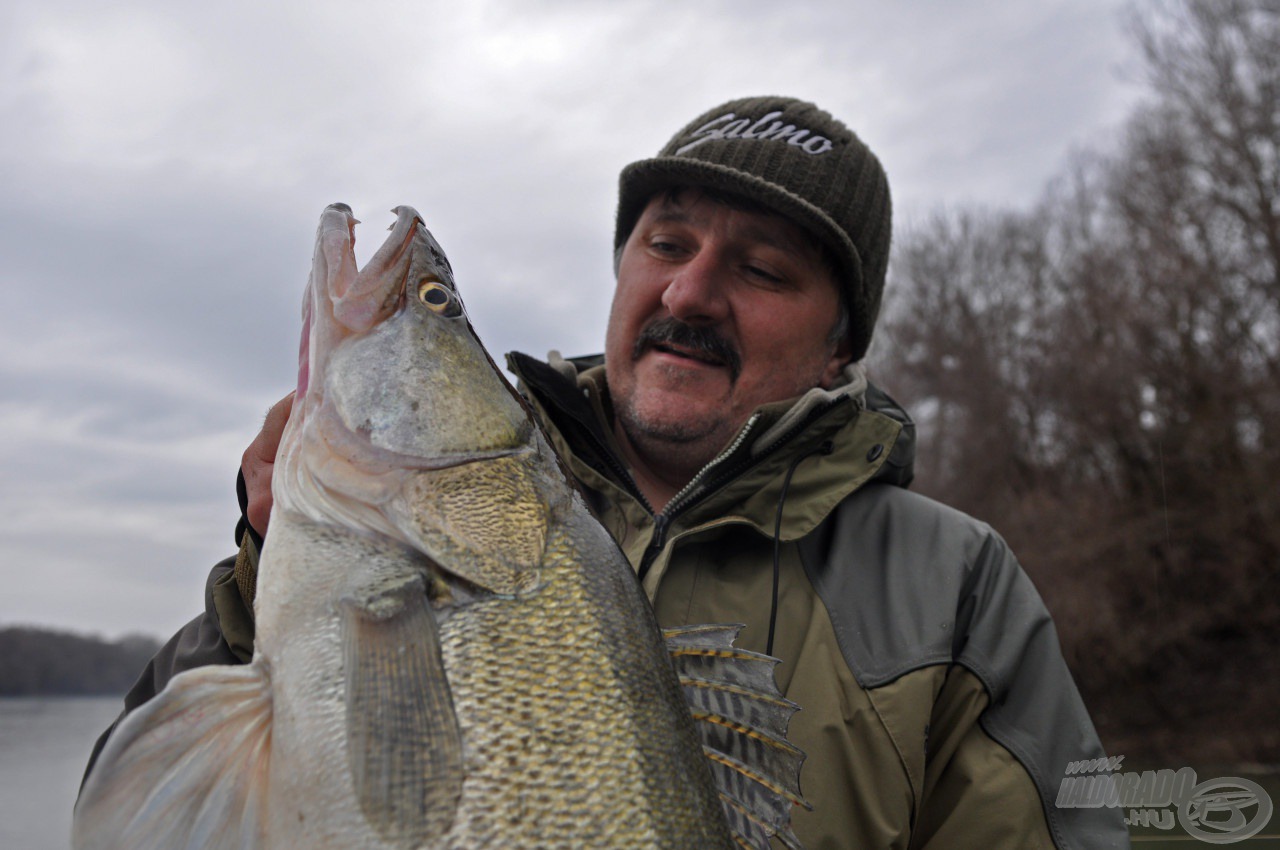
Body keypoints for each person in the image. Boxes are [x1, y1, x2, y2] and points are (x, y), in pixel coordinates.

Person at [88, 96, 1130, 849]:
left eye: (763, 269)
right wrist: (254, 582)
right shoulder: (364, 547)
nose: (691, 287)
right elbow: (141, 808)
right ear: (622, 269)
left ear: (839, 351)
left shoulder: (954, 585)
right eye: (663, 241)